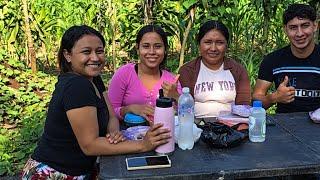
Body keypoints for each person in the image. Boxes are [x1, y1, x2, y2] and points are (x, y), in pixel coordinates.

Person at [21, 25, 170, 179]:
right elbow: (90, 145)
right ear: (68, 55)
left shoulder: (93, 78)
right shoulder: (76, 86)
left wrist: (113, 133)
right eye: (86, 52)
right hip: (56, 172)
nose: (95, 58)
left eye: (99, 51)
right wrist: (143, 145)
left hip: (82, 169)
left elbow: (112, 115)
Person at [179, 20, 251, 121]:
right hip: (195, 125)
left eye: (220, 43)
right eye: (208, 42)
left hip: (230, 126)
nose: (213, 48)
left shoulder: (238, 70)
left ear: (227, 45)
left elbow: (244, 106)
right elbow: (185, 108)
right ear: (199, 44)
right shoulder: (187, 71)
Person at [253, 4, 319, 113]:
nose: (299, 33)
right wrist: (274, 97)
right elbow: (255, 100)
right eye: (293, 27)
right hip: (283, 126)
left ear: (315, 26)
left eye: (305, 25)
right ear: (285, 29)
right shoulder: (272, 60)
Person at [108, 25, 181, 122]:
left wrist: (176, 96)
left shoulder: (171, 81)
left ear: (165, 49)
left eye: (158, 46)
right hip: (129, 135)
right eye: (146, 46)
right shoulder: (124, 74)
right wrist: (129, 109)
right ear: (137, 49)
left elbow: (186, 114)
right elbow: (109, 112)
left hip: (164, 135)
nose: (152, 52)